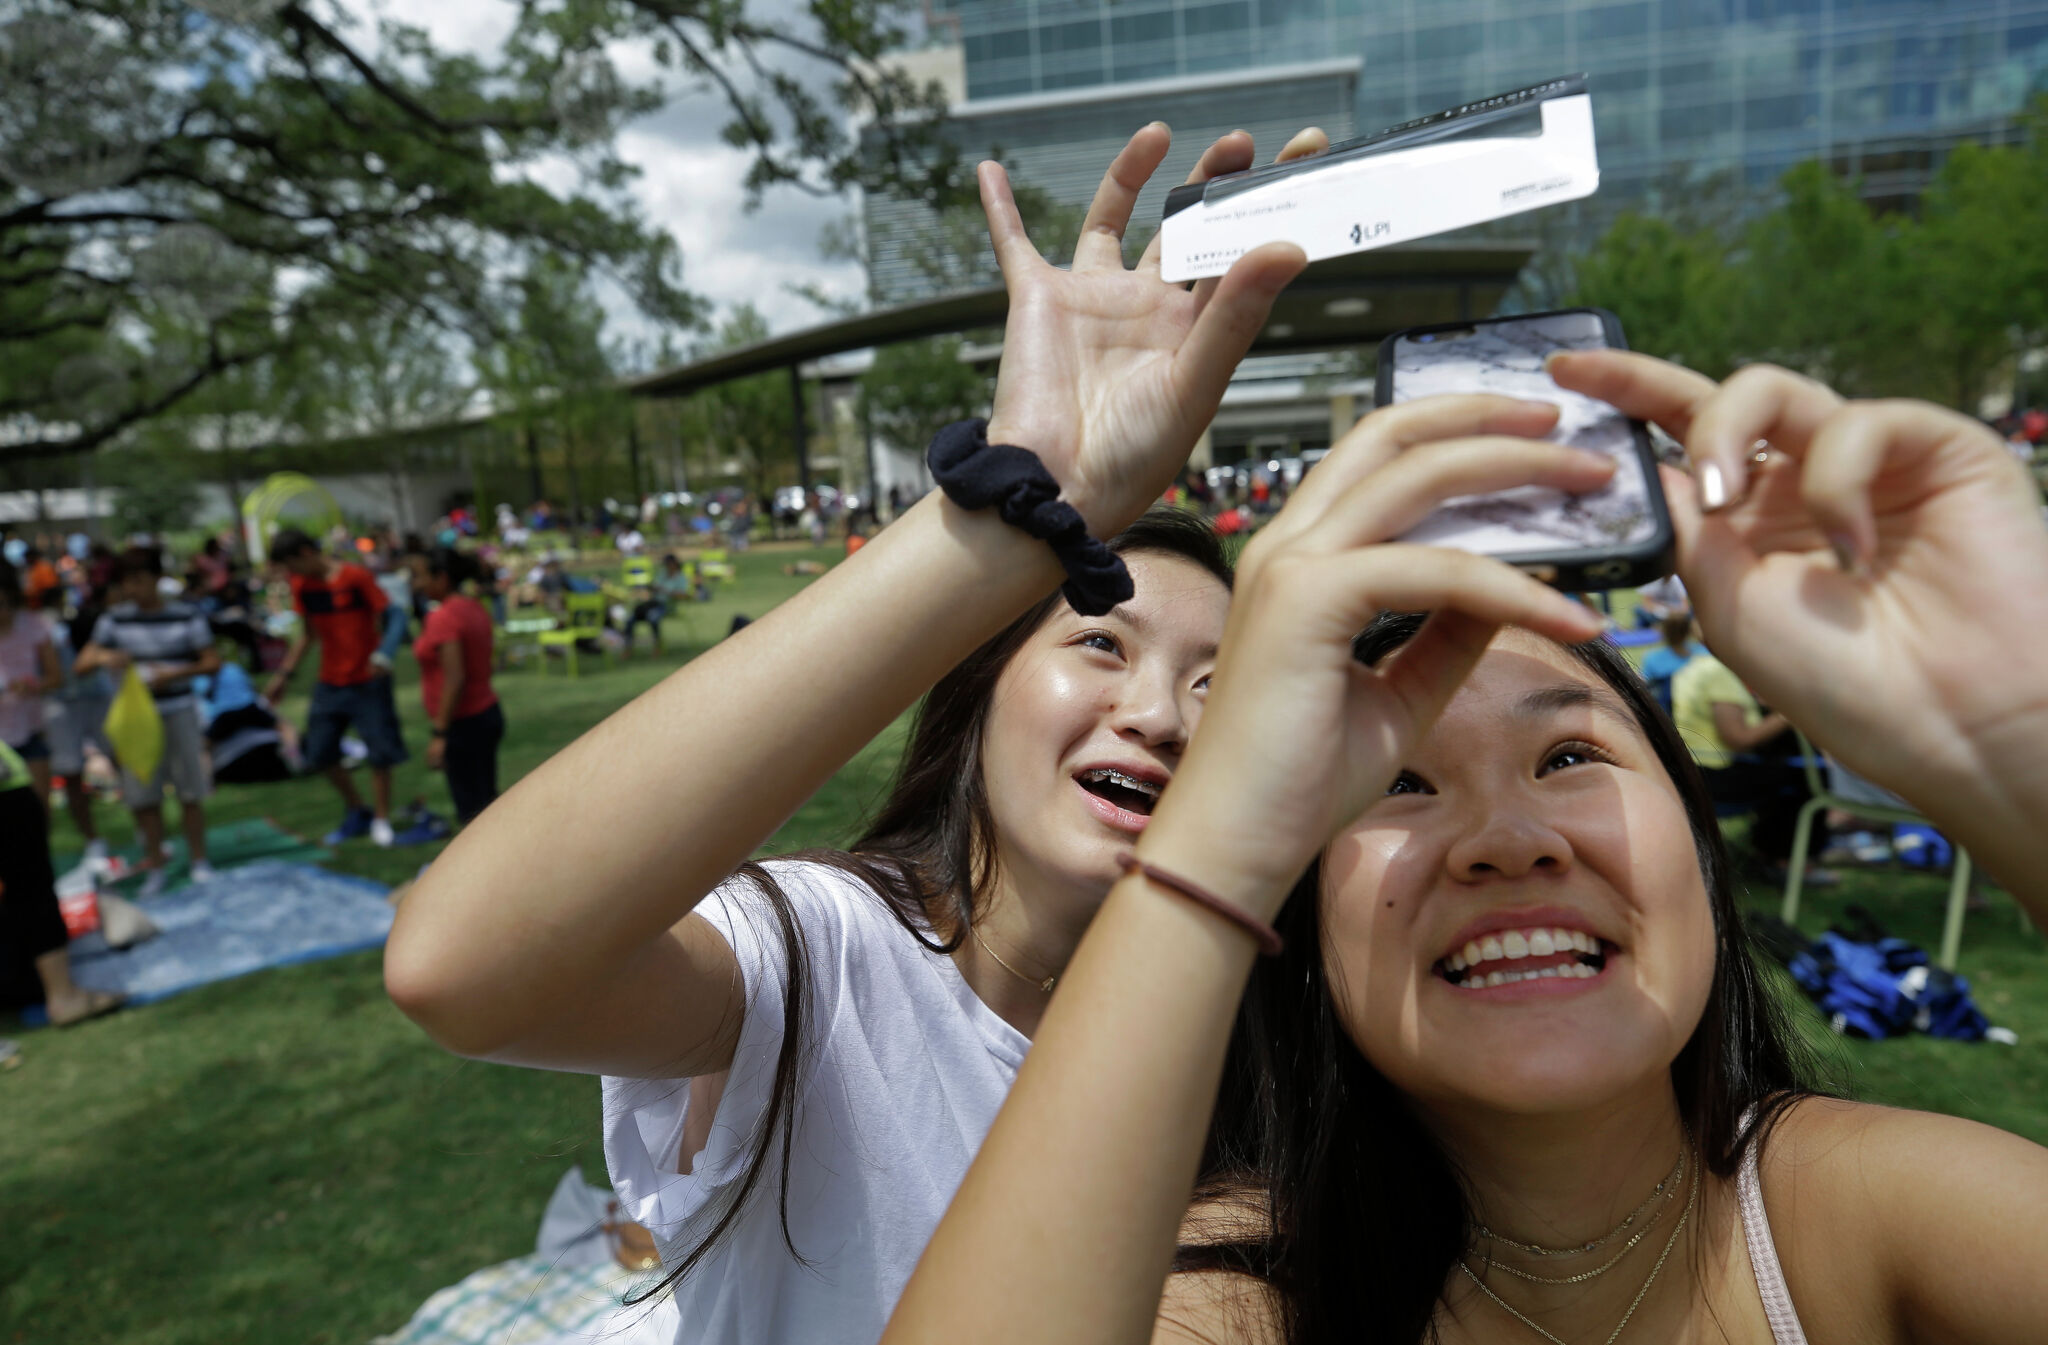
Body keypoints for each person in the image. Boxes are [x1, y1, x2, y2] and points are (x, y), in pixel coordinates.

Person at [879, 358, 2048, 1345]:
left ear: (1697, 851)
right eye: (1395, 784)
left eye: (1567, 759)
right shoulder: (1229, 1300)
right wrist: (1212, 848)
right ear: (1292, 912)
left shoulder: (1870, 1221)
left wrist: (2017, 758)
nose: (1504, 840)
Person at [385, 121, 1324, 1345]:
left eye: (1217, 686)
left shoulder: (1268, 1047)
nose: (1156, 715)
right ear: (973, 699)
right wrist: (1018, 506)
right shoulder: (822, 960)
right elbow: (462, 969)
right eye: (1100, 642)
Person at [75, 547, 220, 896]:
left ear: (156, 578)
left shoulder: (186, 614)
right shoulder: (114, 620)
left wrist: (174, 674)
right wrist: (107, 655)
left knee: (189, 791)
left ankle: (199, 860)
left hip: (179, 708)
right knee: (143, 795)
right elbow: (82, 664)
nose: (133, 589)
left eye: (139, 580)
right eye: (127, 582)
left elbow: (212, 661)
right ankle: (156, 864)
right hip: (136, 720)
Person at [265, 527, 409, 848]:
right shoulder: (303, 585)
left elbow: (394, 617)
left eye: (292, 565)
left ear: (305, 552)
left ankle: (382, 820)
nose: (291, 574)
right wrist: (283, 676)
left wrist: (384, 653)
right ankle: (358, 809)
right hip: (330, 681)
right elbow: (308, 635)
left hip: (368, 681)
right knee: (319, 752)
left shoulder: (355, 577)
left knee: (380, 753)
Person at [1671, 641, 1827, 879]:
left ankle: (1771, 851)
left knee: (1790, 768)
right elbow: (1738, 738)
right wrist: (1788, 714)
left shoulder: (1695, 666)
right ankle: (1788, 862)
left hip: (1696, 770)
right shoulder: (1719, 674)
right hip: (1715, 777)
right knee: (1804, 781)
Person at [0, 739, 124, 1025]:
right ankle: (63, 997)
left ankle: (39, 989)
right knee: (32, 891)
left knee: (26, 894)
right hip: (7, 793)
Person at [407, 546, 503, 832]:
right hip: (485, 713)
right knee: (486, 807)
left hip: (465, 723)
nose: (417, 584)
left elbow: (455, 677)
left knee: (473, 817)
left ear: (443, 578)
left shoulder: (443, 617)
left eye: (421, 577)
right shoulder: (473, 606)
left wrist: (440, 733)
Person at [0, 559, 60, 807]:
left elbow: (56, 677)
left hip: (30, 728)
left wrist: (31, 686)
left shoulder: (33, 624)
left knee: (37, 812)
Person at [1637, 612, 1699, 712]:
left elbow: (1643, 685)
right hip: (1697, 707)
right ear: (1689, 631)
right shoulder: (1702, 655)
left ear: (1663, 632)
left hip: (1666, 711)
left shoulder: (1652, 658)